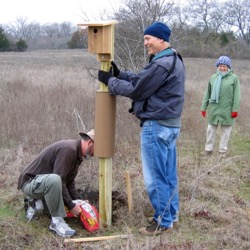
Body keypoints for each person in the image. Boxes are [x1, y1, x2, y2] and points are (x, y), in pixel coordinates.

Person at [98, 21, 185, 235]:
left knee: (155, 177)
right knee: (168, 175)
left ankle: (162, 222)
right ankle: (170, 215)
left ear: (162, 39)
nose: (145, 42)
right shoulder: (172, 59)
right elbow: (144, 80)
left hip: (156, 126)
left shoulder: (160, 64)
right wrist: (120, 74)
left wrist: (111, 82)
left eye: (149, 39)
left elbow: (137, 90)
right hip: (170, 125)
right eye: (144, 38)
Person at [17, 129, 95, 238]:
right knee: (55, 179)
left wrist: (78, 200)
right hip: (29, 183)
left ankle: (36, 204)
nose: (94, 154)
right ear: (90, 143)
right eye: (96, 149)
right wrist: (71, 205)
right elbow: (59, 179)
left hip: (41, 183)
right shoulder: (69, 150)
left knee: (56, 183)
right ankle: (56, 222)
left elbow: (69, 181)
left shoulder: (76, 154)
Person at [201, 56, 241, 157]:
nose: (222, 68)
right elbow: (207, 93)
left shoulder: (234, 78)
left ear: (228, 67)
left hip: (227, 110)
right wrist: (203, 107)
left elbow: (237, 95)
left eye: (224, 66)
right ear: (217, 66)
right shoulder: (213, 77)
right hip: (214, 109)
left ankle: (222, 152)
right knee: (210, 130)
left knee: (225, 131)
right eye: (220, 66)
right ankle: (208, 150)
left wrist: (235, 109)